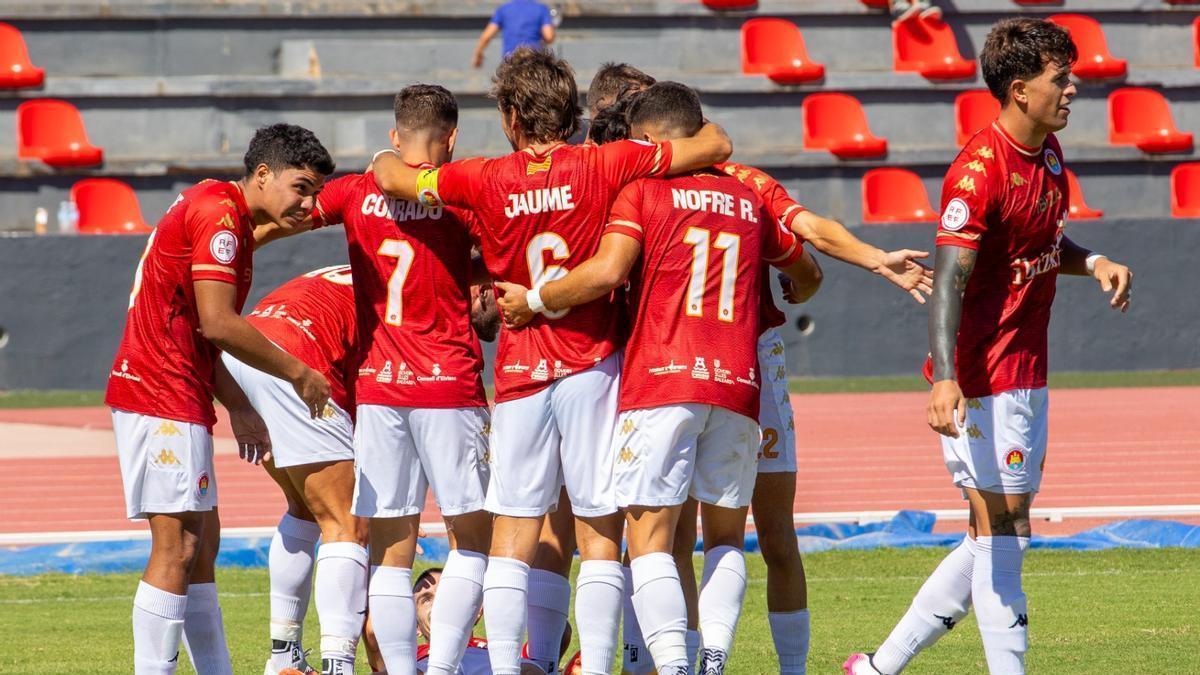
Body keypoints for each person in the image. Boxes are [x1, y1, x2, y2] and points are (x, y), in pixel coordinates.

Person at [370, 48, 734, 675]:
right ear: (570, 112)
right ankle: (593, 667)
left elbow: (394, 178)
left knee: (512, 535)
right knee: (599, 535)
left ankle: (513, 667)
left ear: (512, 115)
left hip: (519, 370)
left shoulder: (482, 176)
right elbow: (715, 144)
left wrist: (383, 153)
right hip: (592, 363)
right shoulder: (606, 161)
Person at [494, 81, 813, 675]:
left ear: (652, 138)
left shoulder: (642, 193)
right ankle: (711, 659)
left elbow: (606, 271)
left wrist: (535, 299)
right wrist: (801, 286)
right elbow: (807, 270)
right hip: (738, 383)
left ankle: (671, 666)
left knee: (649, 540)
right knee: (724, 537)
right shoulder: (746, 195)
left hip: (663, 377)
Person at [844, 18, 1132, 675]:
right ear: (1020, 90)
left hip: (1027, 371)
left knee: (993, 535)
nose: (1075, 88)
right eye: (1062, 78)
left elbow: (1043, 245)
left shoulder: (1049, 156)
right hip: (980, 378)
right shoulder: (977, 171)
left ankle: (877, 667)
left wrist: (1094, 263)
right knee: (1003, 533)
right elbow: (949, 279)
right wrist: (945, 378)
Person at [262, 84, 495, 675]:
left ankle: (379, 667)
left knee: (390, 551)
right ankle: (441, 667)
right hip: (447, 384)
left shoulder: (355, 191)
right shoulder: (464, 191)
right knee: (473, 541)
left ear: (394, 137)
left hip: (382, 390)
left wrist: (240, 236)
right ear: (451, 139)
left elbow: (282, 220)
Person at [105, 123, 335, 675]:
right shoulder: (220, 218)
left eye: (317, 193)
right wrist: (299, 372)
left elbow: (193, 327)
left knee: (203, 546)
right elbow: (218, 324)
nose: (309, 203)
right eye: (301, 188)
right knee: (177, 549)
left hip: (175, 389)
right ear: (262, 175)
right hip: (161, 395)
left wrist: (239, 406)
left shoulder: (218, 207)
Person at [217, 265, 365, 675]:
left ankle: (284, 656)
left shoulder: (358, 263)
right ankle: (339, 664)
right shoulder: (423, 285)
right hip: (295, 358)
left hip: (246, 352)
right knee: (346, 522)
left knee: (302, 508)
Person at [472, 0, 556, 69]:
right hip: (535, 62)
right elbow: (549, 37)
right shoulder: (541, 9)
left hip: (511, 62)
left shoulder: (504, 9)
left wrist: (478, 55)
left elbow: (486, 36)